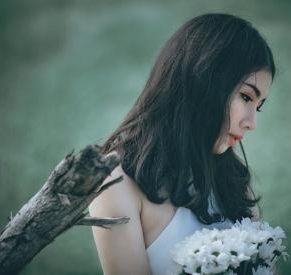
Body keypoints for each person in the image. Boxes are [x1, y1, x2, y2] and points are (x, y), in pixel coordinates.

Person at [88, 13, 275, 275]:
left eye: (259, 105)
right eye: (246, 96)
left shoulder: (232, 176)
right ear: (204, 81)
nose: (251, 122)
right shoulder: (118, 183)